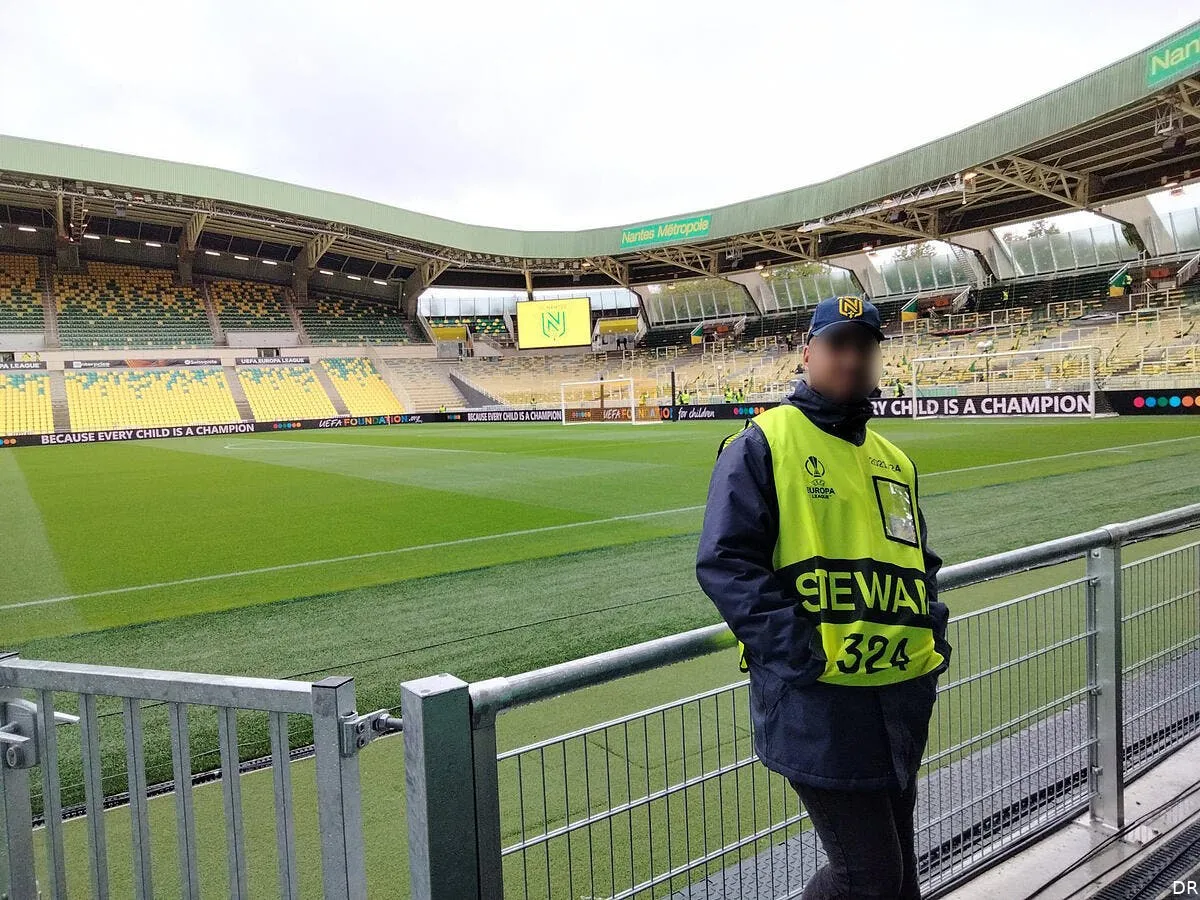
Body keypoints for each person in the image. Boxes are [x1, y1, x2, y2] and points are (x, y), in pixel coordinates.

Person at [696, 295, 952, 900]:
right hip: (821, 704)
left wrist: (932, 629)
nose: (852, 359)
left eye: (864, 346)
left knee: (897, 877)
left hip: (897, 698)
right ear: (808, 353)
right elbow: (725, 562)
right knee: (868, 877)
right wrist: (801, 653)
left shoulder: (891, 457)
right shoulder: (763, 443)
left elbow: (919, 559)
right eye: (838, 345)